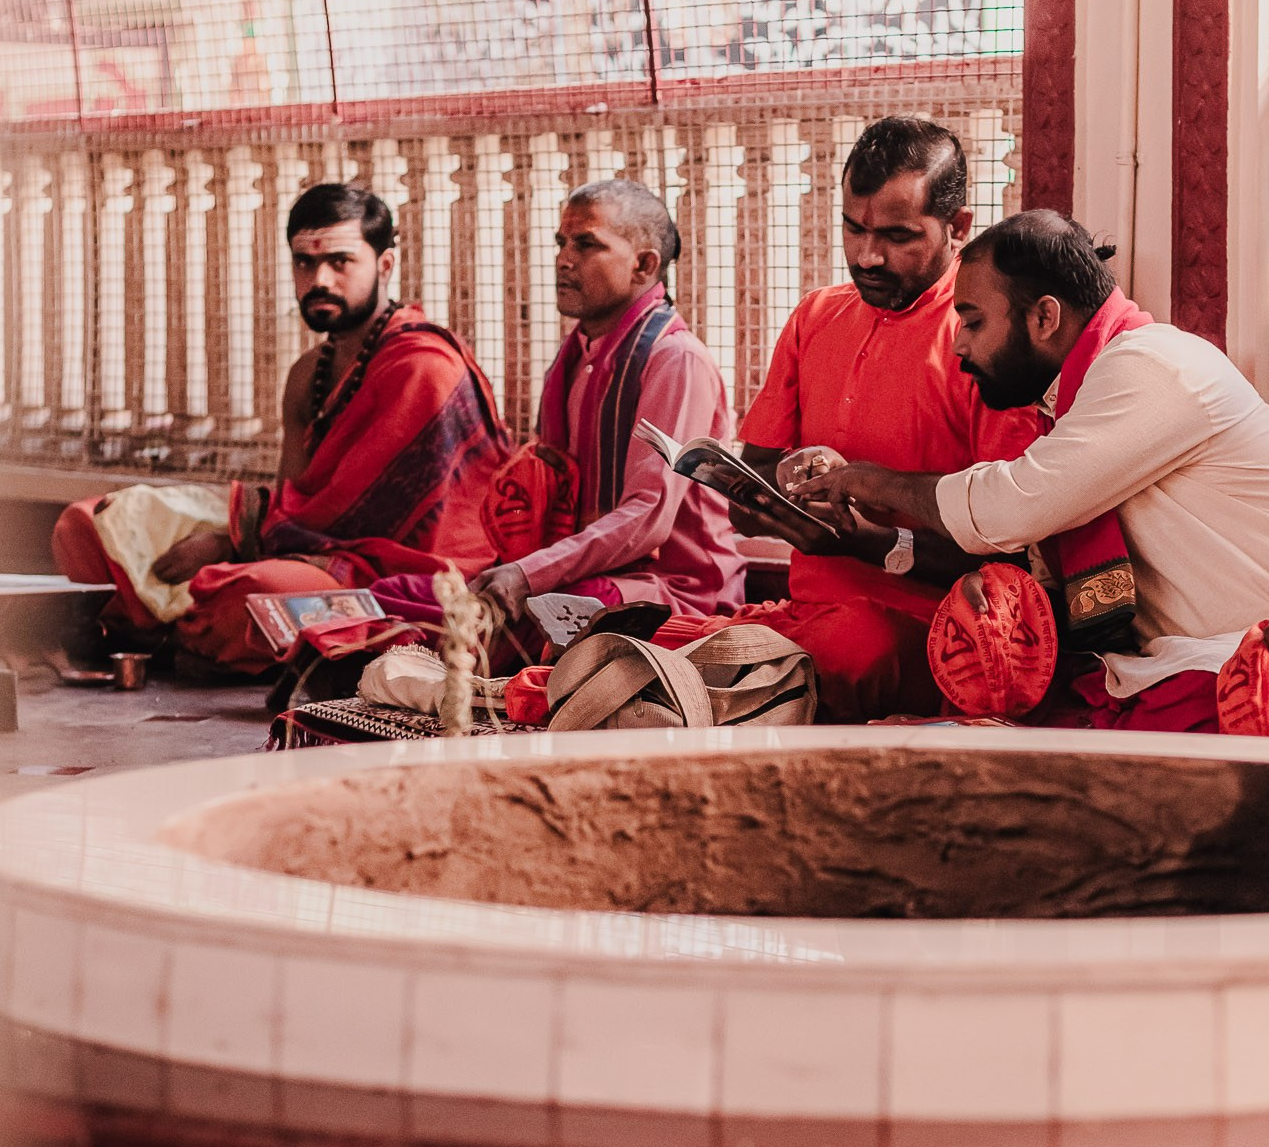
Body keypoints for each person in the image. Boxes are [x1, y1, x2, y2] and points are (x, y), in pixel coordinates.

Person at [817, 209, 1269, 728]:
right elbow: (1044, 574)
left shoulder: (1156, 365)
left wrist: (868, 480)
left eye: (972, 322)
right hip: (1200, 659)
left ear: (1044, 317)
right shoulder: (1075, 402)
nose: (959, 348)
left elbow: (1011, 507)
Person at [53, 183, 513, 672]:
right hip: (308, 546)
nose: (320, 279)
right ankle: (190, 641)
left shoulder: (424, 367)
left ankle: (152, 631)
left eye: (340, 262)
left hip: (395, 573)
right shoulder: (307, 373)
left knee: (259, 595)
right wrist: (242, 535)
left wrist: (234, 540)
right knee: (83, 525)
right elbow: (294, 501)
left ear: (384, 266)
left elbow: (359, 519)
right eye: (303, 263)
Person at [734, 116, 1041, 719]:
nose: (866, 256)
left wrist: (875, 543)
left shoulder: (983, 337)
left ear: (957, 228)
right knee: (610, 648)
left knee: (847, 649)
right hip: (802, 622)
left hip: (924, 631)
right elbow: (743, 495)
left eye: (897, 236)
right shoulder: (814, 317)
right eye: (853, 229)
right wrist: (785, 504)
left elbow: (1013, 553)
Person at [470, 179, 741, 639]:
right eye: (562, 242)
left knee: (535, 623)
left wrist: (529, 574)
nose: (564, 259)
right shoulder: (576, 358)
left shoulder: (676, 361)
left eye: (587, 244)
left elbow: (648, 515)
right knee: (434, 604)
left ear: (644, 265)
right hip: (592, 575)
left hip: (675, 592)